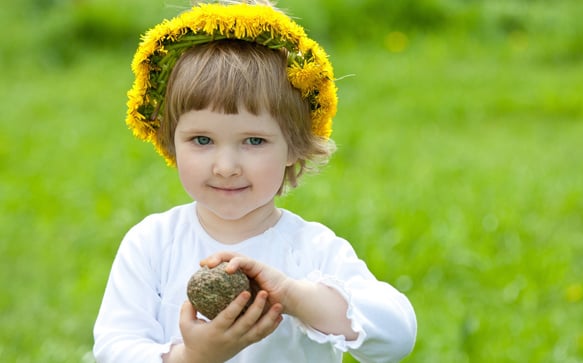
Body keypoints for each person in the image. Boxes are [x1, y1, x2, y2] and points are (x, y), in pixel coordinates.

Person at [93, 1, 417, 362]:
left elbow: (398, 334)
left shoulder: (312, 250)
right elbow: (114, 347)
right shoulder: (152, 244)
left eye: (254, 141)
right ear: (169, 140)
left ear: (294, 145)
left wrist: (294, 296)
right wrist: (193, 358)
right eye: (202, 140)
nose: (226, 166)